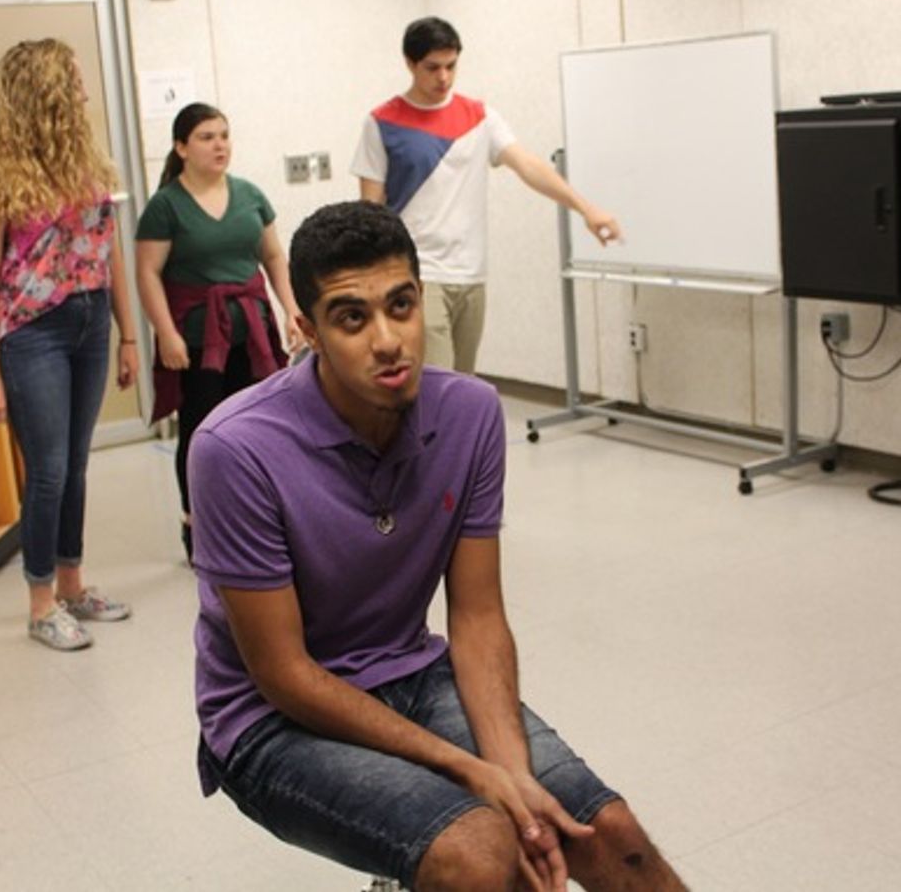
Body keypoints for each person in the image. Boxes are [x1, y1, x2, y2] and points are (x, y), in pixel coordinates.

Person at [188, 201, 684, 891]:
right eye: (352, 318)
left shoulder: (470, 413)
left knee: (610, 835)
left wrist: (512, 773)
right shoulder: (234, 448)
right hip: (268, 720)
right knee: (483, 853)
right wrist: (468, 770)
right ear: (307, 331)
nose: (388, 340)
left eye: (401, 305)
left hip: (413, 672)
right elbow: (283, 673)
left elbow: (477, 615)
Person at [0, 39, 138, 651]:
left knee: (76, 464)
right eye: (73, 81)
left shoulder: (88, 162)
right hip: (33, 333)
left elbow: (109, 252)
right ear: (45, 91)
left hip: (90, 321)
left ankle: (72, 585)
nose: (83, 92)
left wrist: (128, 333)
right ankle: (40, 603)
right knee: (49, 470)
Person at [351, 16, 621, 374]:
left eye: (451, 66)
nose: (443, 77)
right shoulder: (382, 122)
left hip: (471, 272)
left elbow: (527, 165)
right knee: (438, 382)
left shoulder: (480, 117)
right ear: (410, 64)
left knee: (463, 382)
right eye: (432, 68)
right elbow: (370, 208)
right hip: (416, 271)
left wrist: (586, 209)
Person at [134, 102, 300, 563]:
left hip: (253, 332)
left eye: (224, 135)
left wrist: (292, 310)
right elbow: (147, 273)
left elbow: (273, 257)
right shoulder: (165, 206)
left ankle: (261, 516)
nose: (219, 145)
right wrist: (165, 332)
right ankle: (198, 523)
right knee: (202, 430)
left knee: (261, 424)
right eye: (206, 137)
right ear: (181, 147)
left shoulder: (250, 195)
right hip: (196, 340)